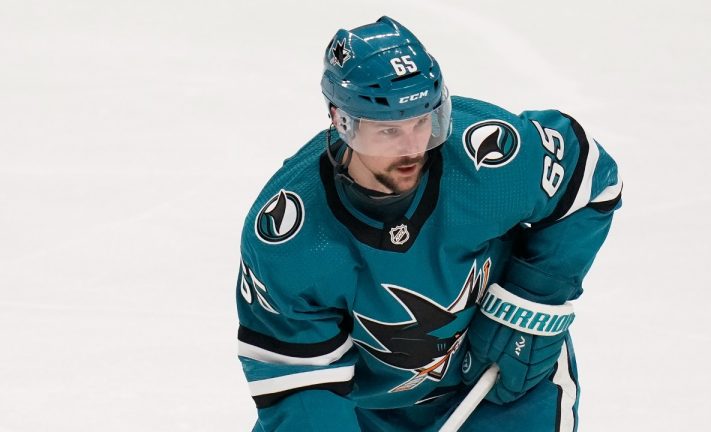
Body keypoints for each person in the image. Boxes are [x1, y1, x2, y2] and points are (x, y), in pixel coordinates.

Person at [235, 16, 621, 432]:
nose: (413, 147)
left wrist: (531, 300)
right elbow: (301, 386)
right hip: (368, 415)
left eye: (423, 122)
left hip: (500, 385)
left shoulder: (488, 157)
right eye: (389, 131)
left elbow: (589, 181)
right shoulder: (289, 236)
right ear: (341, 121)